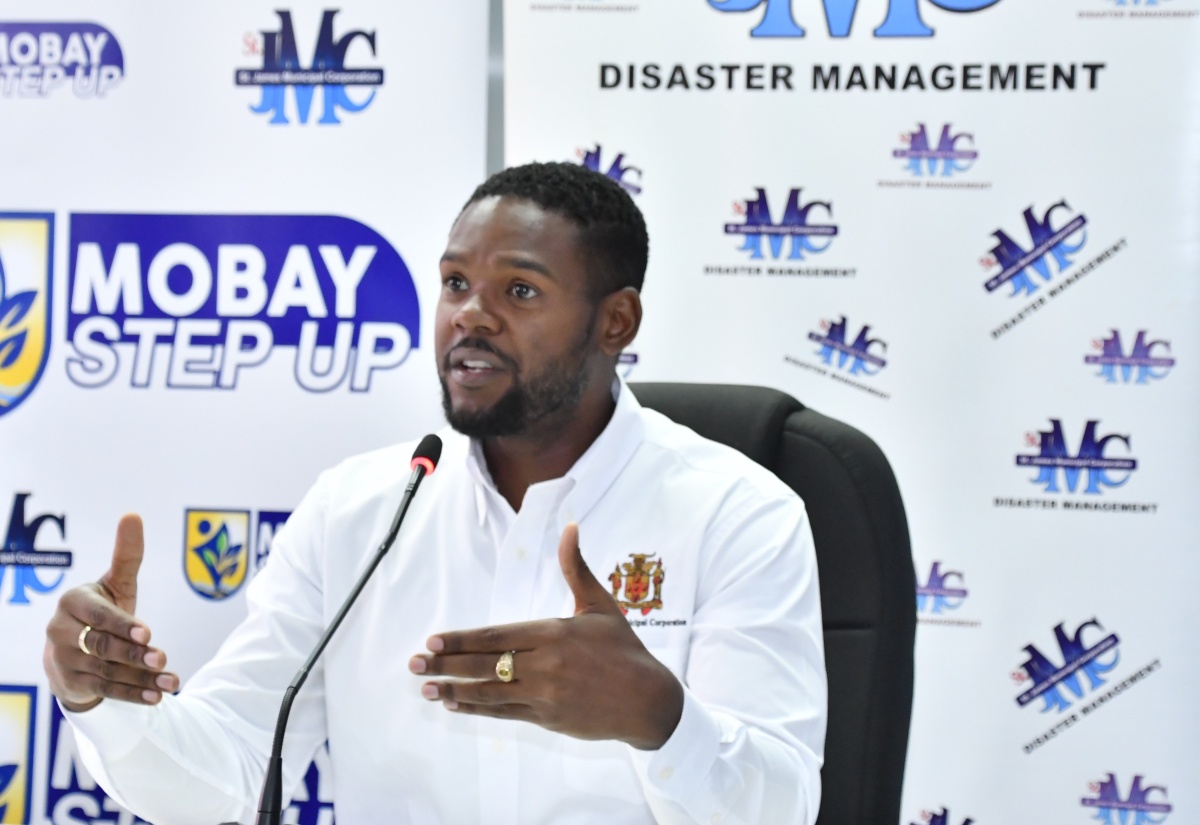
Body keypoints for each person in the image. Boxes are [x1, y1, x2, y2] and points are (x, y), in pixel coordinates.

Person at [43, 162, 827, 824]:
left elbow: (784, 804)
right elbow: (227, 770)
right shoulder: (360, 510)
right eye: (455, 282)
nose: (469, 317)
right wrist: (101, 699)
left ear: (615, 321)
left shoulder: (737, 514)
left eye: (519, 291)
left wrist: (660, 717)